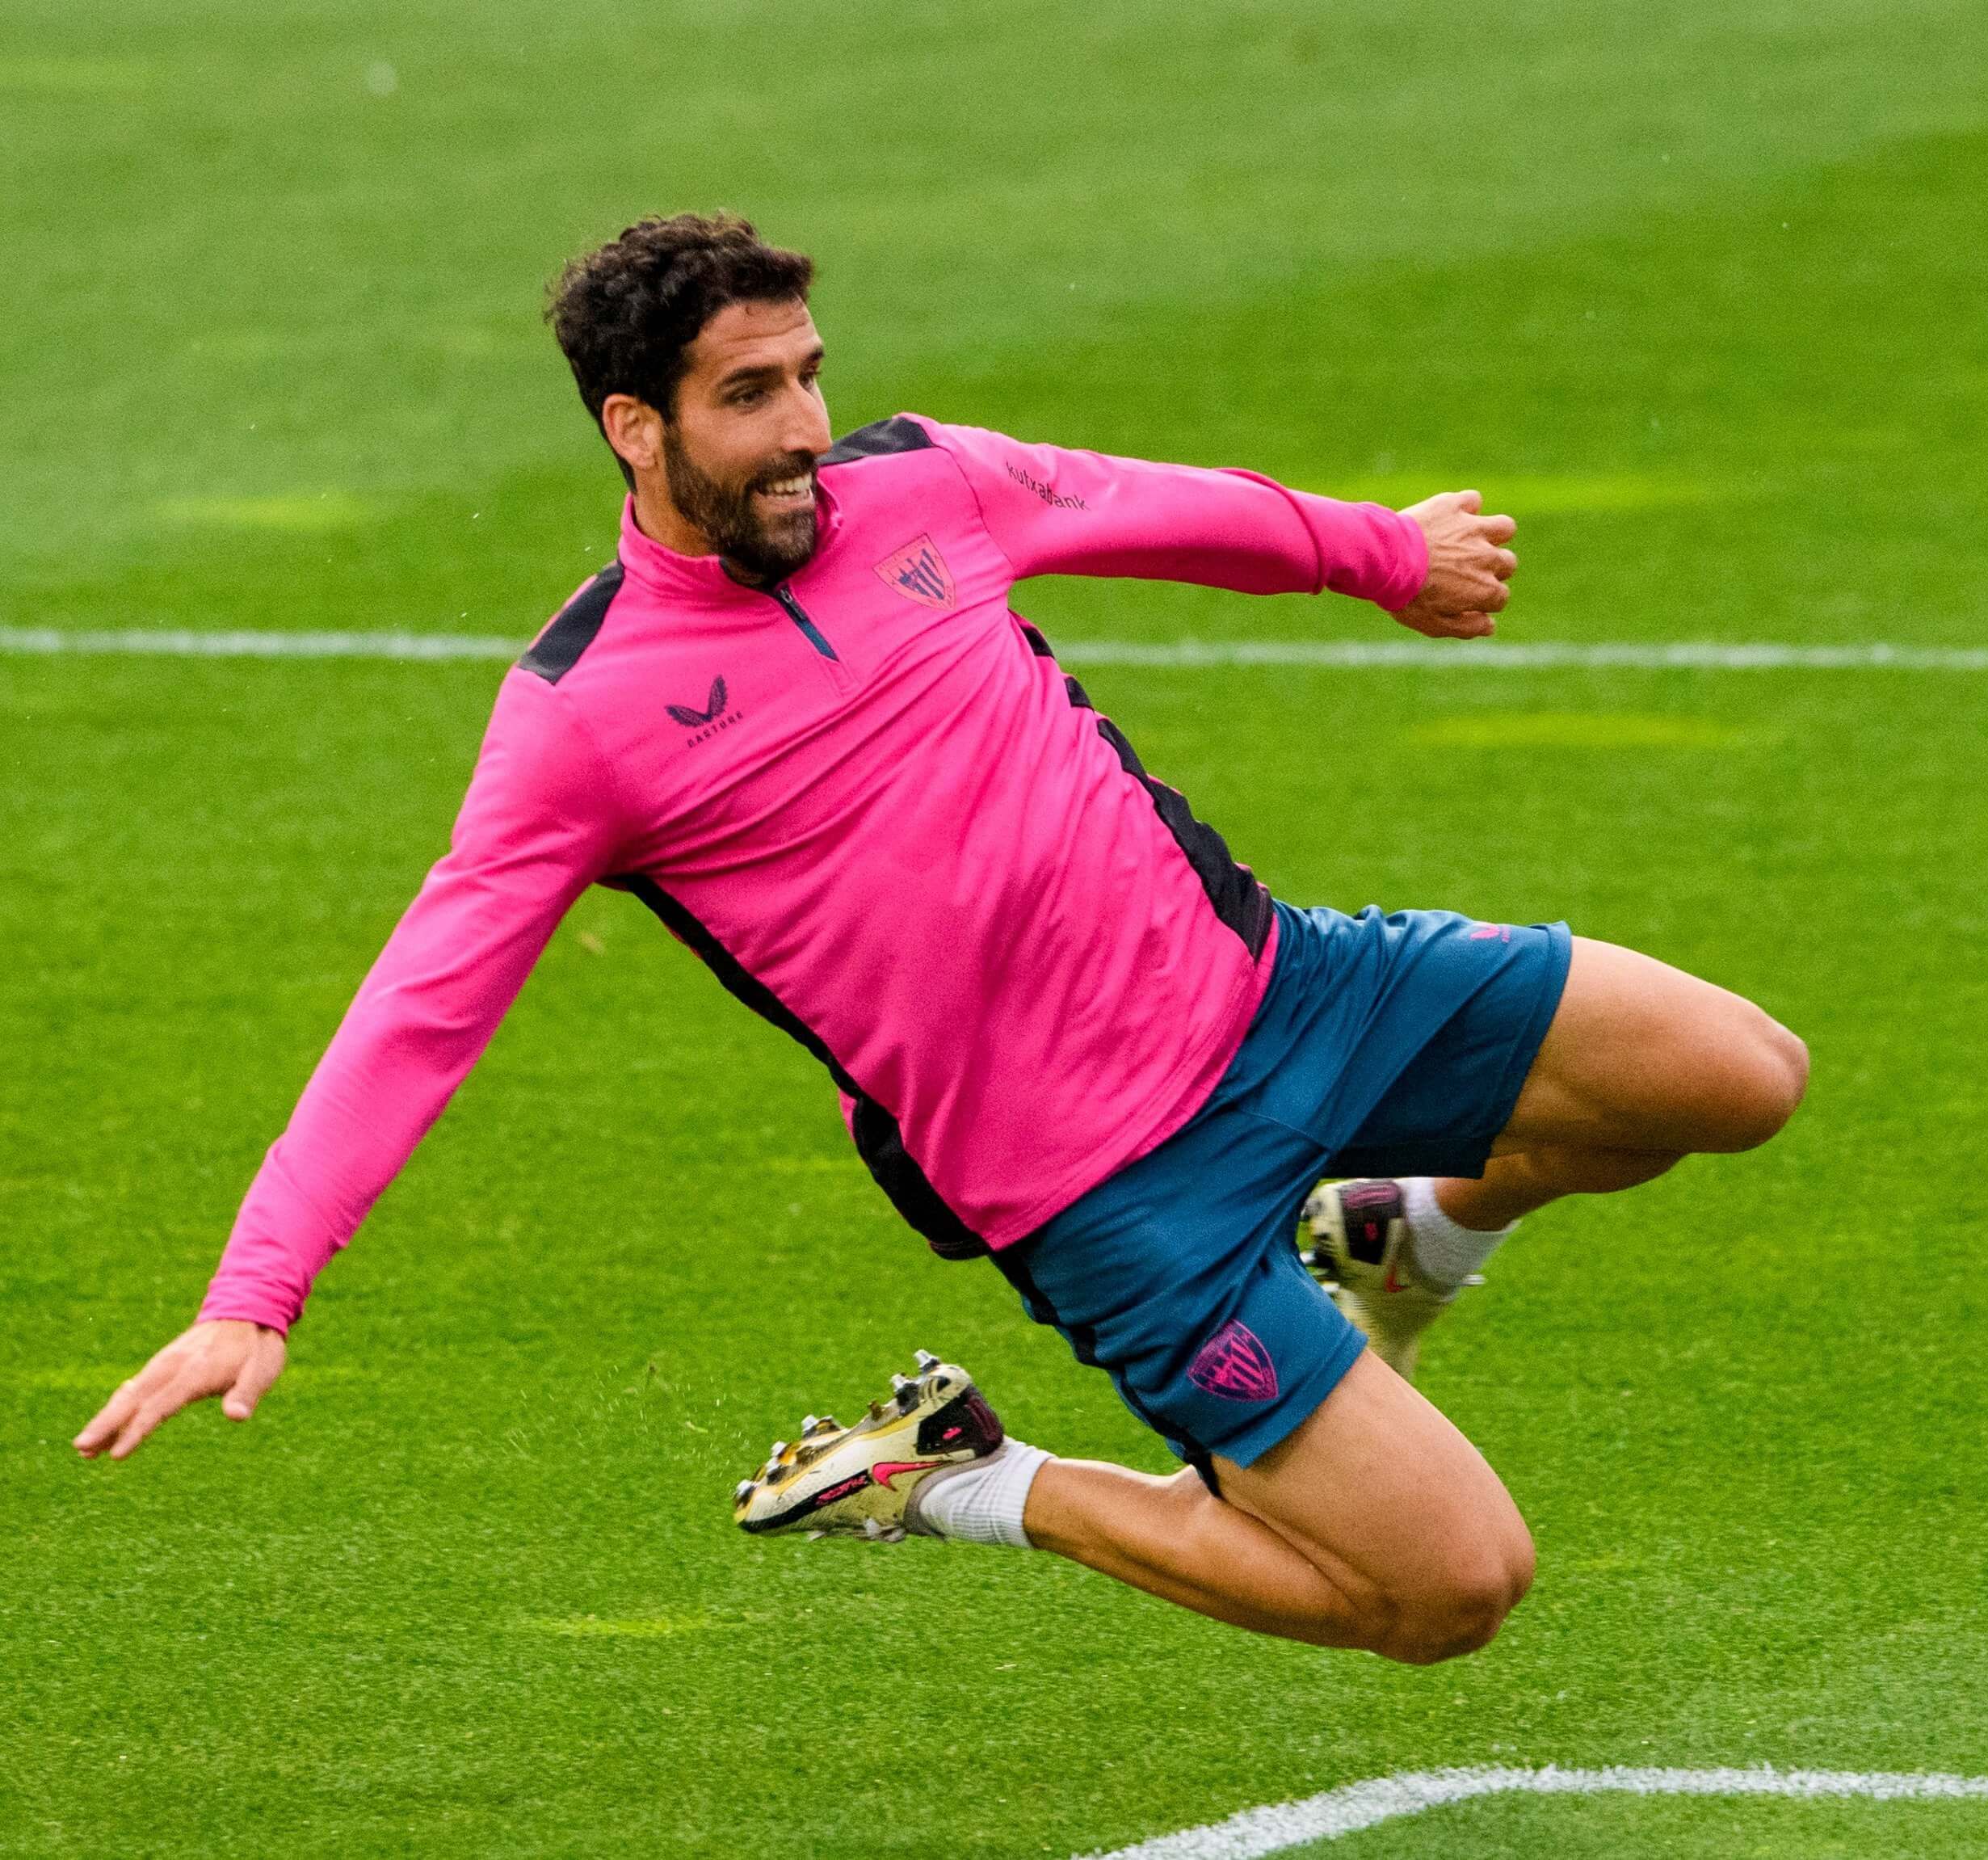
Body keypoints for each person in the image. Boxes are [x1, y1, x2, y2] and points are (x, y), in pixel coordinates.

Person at [74, 213, 1806, 1664]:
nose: (805, 421)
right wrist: (257, 1291)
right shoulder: (578, 722)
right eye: (749, 395)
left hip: (1288, 990)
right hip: (1112, 1194)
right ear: (634, 426)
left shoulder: (923, 487)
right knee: (1450, 1591)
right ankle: (969, 1473)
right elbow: (420, 1009)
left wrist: (1377, 558)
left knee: (1736, 1075)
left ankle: (1405, 1235)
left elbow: (1155, 505)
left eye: (808, 370)